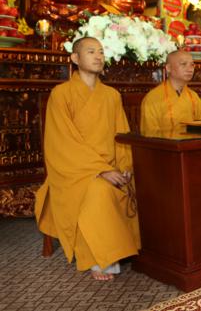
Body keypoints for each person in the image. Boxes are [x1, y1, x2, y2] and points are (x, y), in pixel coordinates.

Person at [34, 37, 140, 281]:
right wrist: (100, 170)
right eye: (91, 51)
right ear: (75, 58)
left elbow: (121, 135)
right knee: (97, 191)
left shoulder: (112, 95)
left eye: (101, 51)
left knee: (142, 184)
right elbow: (62, 142)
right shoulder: (61, 94)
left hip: (111, 167)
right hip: (74, 169)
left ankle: (136, 248)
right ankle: (101, 258)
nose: (98, 56)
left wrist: (124, 167)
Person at [140, 50, 201, 135]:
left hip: (192, 143)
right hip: (164, 143)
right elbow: (150, 134)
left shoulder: (194, 97)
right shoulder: (153, 98)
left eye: (192, 65)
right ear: (168, 68)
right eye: (183, 64)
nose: (190, 69)